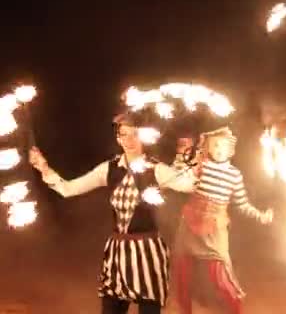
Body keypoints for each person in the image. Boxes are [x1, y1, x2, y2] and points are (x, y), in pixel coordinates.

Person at [29, 112, 197, 314]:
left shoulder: (156, 169)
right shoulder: (108, 169)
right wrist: (43, 168)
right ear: (117, 138)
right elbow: (68, 189)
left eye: (134, 134)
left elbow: (188, 185)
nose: (129, 140)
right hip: (118, 253)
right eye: (124, 134)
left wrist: (197, 165)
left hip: (148, 252)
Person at [171, 121, 273, 314]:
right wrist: (181, 152)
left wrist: (261, 216)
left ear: (231, 150)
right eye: (214, 144)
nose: (218, 149)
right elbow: (177, 175)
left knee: (220, 276)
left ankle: (236, 310)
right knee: (182, 272)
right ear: (208, 146)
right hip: (189, 225)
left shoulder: (234, 175)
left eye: (223, 145)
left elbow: (242, 204)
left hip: (215, 229)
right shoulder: (199, 166)